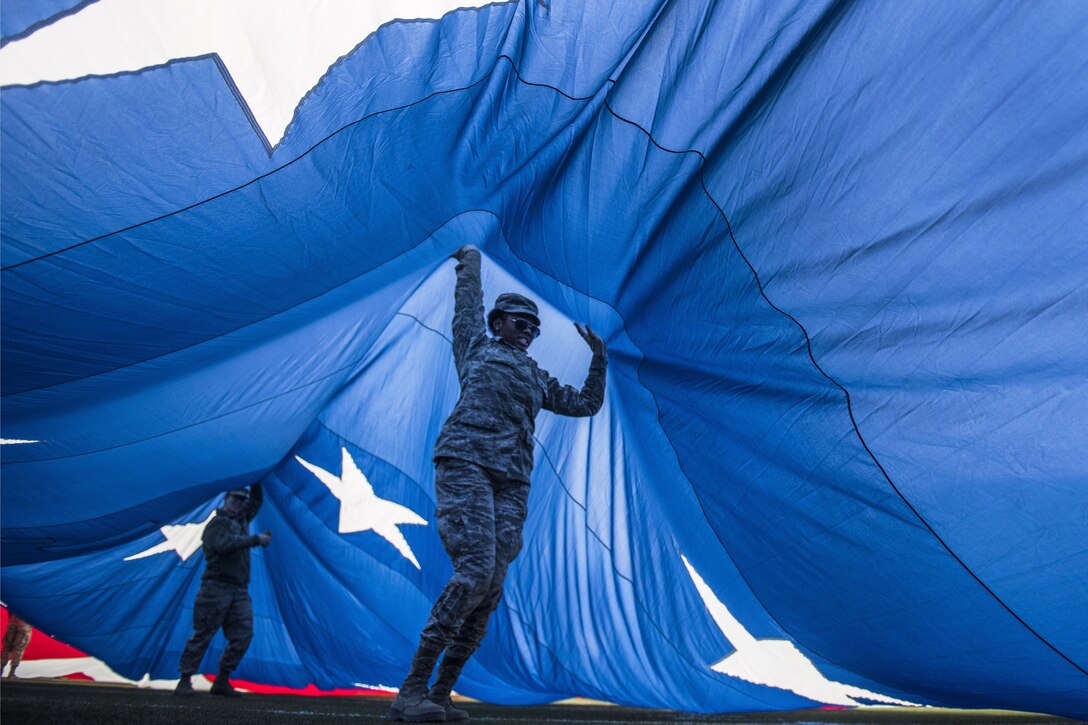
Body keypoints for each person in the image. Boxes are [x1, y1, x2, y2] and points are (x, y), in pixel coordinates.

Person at [388, 246, 607, 722]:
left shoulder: (536, 374)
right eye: (519, 322)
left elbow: (586, 404)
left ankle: (440, 695)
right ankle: (410, 691)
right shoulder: (475, 345)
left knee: (489, 588)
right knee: (474, 572)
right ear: (498, 322)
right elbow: (466, 304)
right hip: (466, 461)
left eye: (533, 327)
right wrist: (471, 263)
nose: (528, 331)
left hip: (511, 483)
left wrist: (599, 360)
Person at [174, 484, 270, 698]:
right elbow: (224, 545)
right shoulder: (217, 524)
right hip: (216, 587)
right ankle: (185, 679)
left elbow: (256, 501)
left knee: (243, 635)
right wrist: (255, 539)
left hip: (238, 589)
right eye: (235, 499)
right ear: (226, 499)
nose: (239, 503)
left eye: (242, 500)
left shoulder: (241, 520)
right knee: (203, 634)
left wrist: (257, 479)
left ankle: (222, 679)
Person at [1, 612, 33, 679]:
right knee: (19, 649)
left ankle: (1, 670)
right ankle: (11, 673)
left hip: (12, 620)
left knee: (6, 647)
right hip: (25, 623)